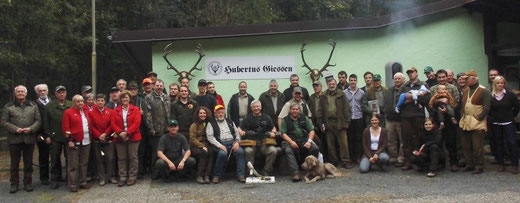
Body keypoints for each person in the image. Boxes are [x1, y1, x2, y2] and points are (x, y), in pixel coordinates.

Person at [1, 85, 41, 194]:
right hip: (14, 139)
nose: (20, 93)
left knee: (28, 163)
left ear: (26, 93)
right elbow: (4, 122)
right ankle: (14, 184)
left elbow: (38, 120)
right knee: (14, 164)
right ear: (15, 93)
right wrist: (15, 129)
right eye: (18, 92)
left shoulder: (33, 105)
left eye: (22, 91)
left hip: (29, 139)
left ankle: (28, 182)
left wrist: (31, 129)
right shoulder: (9, 106)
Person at [459, 70, 491, 174]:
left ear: (474, 78)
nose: (465, 80)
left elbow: (487, 108)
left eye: (467, 78)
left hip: (478, 123)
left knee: (477, 146)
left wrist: (479, 118)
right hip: (465, 122)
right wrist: (462, 116)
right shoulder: (466, 91)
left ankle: (479, 165)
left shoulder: (484, 91)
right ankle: (470, 164)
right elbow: (462, 106)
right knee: (466, 145)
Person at [429, 69, 461, 172]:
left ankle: (454, 163)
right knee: (438, 141)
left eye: (443, 77)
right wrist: (437, 106)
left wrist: (447, 109)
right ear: (436, 78)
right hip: (438, 118)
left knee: (451, 141)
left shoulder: (453, 88)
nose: (441, 79)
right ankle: (440, 163)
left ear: (447, 77)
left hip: (449, 119)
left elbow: (457, 102)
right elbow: (431, 102)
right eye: (439, 77)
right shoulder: (433, 88)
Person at [398, 67, 430, 171]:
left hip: (418, 115)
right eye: (408, 73)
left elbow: (426, 99)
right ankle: (408, 161)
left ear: (416, 73)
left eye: (412, 72)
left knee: (419, 138)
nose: (410, 74)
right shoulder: (404, 86)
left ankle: (419, 161)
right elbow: (399, 99)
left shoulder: (423, 84)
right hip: (406, 116)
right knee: (406, 139)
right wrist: (412, 98)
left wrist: (410, 98)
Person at [317, 78, 352, 168]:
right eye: (330, 84)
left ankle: (345, 161)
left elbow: (346, 109)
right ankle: (333, 161)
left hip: (340, 122)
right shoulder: (323, 96)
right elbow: (320, 110)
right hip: (328, 122)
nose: (331, 85)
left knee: (343, 144)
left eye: (333, 84)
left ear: (335, 84)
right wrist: (321, 123)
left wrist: (347, 121)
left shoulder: (341, 94)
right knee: (330, 144)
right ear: (327, 85)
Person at [206, 105, 245, 184]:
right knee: (222, 154)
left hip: (232, 143)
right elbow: (210, 137)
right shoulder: (211, 123)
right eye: (218, 113)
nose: (221, 114)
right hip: (220, 144)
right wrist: (220, 146)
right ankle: (216, 176)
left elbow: (237, 132)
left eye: (222, 112)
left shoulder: (230, 121)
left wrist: (237, 142)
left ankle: (241, 175)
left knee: (240, 152)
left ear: (224, 113)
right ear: (215, 114)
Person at [280, 103, 319, 182]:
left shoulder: (304, 118)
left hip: (304, 140)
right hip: (290, 141)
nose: (295, 111)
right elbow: (283, 134)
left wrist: (309, 141)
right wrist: (291, 142)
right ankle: (296, 173)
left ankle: (312, 171)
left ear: (299, 110)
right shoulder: (285, 119)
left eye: (296, 109)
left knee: (315, 148)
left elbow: (311, 130)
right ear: (290, 110)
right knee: (288, 150)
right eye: (293, 109)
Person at [61, 94, 92, 192]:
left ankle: (83, 182)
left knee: (84, 163)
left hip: (86, 140)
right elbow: (66, 128)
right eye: (78, 101)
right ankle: (73, 184)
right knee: (73, 164)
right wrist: (70, 140)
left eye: (82, 101)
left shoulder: (86, 112)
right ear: (73, 103)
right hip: (74, 141)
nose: (80, 103)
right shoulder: (68, 112)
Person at [488, 76, 519, 174]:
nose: (500, 84)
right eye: (498, 83)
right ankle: (501, 164)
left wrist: (511, 116)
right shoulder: (491, 96)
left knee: (511, 142)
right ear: (495, 84)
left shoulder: (510, 95)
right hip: (496, 123)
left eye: (502, 83)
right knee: (498, 143)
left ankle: (515, 164)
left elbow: (517, 107)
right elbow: (489, 109)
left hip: (508, 122)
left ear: (504, 84)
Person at [238, 100, 277, 176]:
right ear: (251, 108)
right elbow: (239, 128)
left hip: (264, 143)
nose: (256, 108)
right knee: (248, 151)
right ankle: (250, 171)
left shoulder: (266, 117)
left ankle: (266, 170)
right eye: (254, 107)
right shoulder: (247, 118)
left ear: (261, 107)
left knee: (273, 151)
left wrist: (273, 133)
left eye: (258, 106)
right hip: (251, 143)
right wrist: (241, 132)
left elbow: (274, 128)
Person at [44, 85, 72, 189]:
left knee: (70, 158)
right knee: (55, 159)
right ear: (55, 94)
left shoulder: (71, 104)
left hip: (69, 137)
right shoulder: (49, 106)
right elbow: (46, 123)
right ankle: (55, 179)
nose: (61, 94)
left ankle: (70, 179)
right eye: (59, 92)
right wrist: (47, 135)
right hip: (54, 137)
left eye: (63, 92)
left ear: (66, 93)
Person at [111, 90, 142, 186]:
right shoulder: (115, 110)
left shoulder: (135, 109)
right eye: (123, 97)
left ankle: (132, 177)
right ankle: (123, 177)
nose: (125, 99)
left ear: (130, 99)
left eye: (127, 97)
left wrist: (127, 133)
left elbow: (137, 123)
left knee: (133, 157)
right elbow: (113, 123)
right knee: (121, 158)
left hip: (133, 137)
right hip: (119, 137)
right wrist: (120, 133)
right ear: (120, 99)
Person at [144, 79, 170, 179]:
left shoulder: (166, 97)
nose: (159, 87)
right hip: (155, 131)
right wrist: (151, 129)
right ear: (154, 86)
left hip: (166, 130)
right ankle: (154, 172)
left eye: (161, 85)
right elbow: (147, 115)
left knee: (165, 152)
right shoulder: (148, 97)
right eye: (157, 85)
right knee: (155, 152)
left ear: (163, 87)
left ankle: (163, 172)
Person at [89, 94, 116, 185]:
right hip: (97, 139)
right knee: (99, 159)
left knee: (110, 158)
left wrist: (105, 134)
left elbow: (112, 124)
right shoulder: (91, 113)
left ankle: (111, 176)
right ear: (95, 102)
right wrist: (99, 135)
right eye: (98, 100)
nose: (100, 102)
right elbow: (91, 126)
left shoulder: (110, 112)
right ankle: (102, 178)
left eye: (102, 100)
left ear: (105, 102)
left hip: (108, 138)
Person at [384, 72, 405, 166]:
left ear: (403, 79)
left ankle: (401, 158)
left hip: (401, 119)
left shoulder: (405, 89)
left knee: (402, 140)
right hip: (390, 119)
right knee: (390, 140)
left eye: (399, 78)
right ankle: (393, 157)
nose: (397, 80)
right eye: (395, 79)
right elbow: (386, 102)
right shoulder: (389, 90)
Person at [189, 107, 215, 184]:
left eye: (204, 113)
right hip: (195, 146)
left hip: (206, 144)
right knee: (204, 153)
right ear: (197, 114)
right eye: (201, 113)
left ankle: (207, 175)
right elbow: (192, 139)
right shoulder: (194, 125)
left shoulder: (209, 123)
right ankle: (199, 175)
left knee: (211, 152)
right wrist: (201, 146)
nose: (202, 115)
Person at [345, 74, 365, 164]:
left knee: (358, 139)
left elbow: (363, 105)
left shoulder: (362, 92)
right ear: (349, 81)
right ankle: (350, 157)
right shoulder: (344, 92)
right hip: (349, 119)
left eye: (354, 80)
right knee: (349, 139)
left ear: (357, 81)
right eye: (351, 80)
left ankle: (358, 157)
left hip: (358, 118)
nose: (353, 82)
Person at [34, 84, 51, 185]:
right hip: (41, 134)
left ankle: (57, 176)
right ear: (37, 93)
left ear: (47, 91)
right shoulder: (34, 104)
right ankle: (44, 177)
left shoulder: (53, 102)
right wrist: (38, 135)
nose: (42, 92)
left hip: (53, 134)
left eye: (44, 90)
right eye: (40, 91)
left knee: (55, 156)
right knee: (43, 156)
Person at [136, 78, 153, 178]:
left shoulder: (155, 96)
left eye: (149, 84)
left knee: (152, 148)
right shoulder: (139, 97)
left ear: (152, 85)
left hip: (152, 125)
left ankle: (152, 169)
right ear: (143, 86)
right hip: (142, 125)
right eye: (145, 85)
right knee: (141, 149)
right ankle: (141, 169)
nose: (147, 86)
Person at [309, 80, 326, 159]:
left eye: (317, 86)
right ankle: (318, 157)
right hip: (314, 122)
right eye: (314, 86)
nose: (316, 87)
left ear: (321, 86)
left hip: (324, 121)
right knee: (317, 141)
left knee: (325, 140)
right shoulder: (311, 97)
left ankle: (325, 158)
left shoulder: (325, 95)